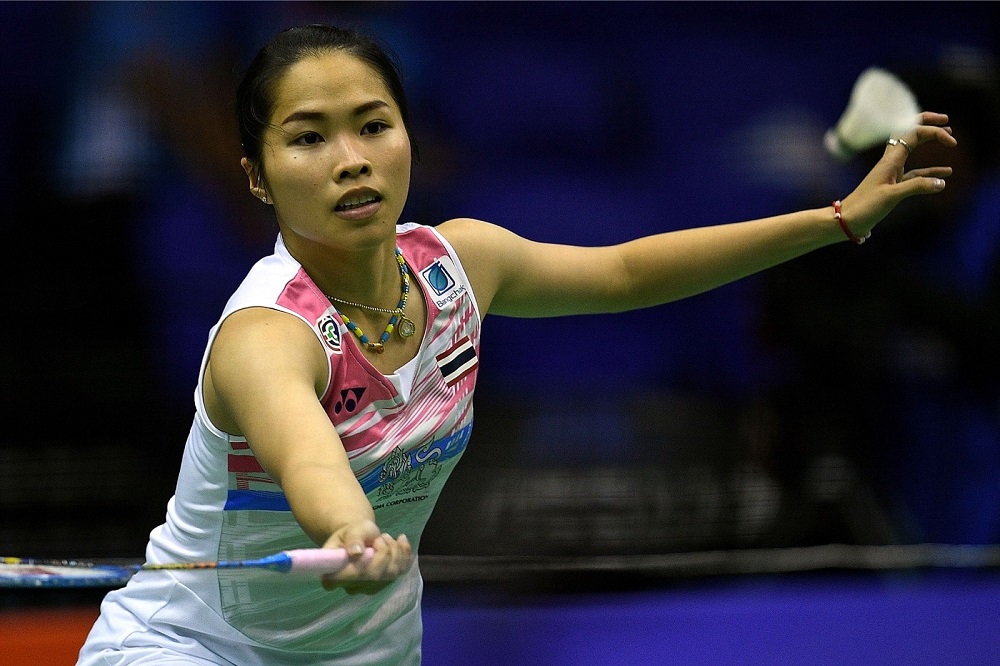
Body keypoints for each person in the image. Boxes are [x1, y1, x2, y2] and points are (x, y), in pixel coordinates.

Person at [77, 23, 956, 666]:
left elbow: (627, 272)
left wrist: (836, 221)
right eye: (308, 137)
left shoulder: (460, 265)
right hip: (192, 649)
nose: (350, 158)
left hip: (363, 647)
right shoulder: (266, 336)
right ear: (257, 176)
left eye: (372, 124)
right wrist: (348, 530)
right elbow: (311, 462)